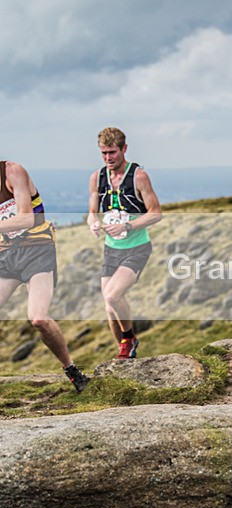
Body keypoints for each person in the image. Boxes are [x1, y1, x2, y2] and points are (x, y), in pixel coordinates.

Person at [0, 160, 91, 392]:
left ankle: (72, 371)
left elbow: (26, 218)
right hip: (6, 256)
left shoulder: (11, 171)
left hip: (36, 250)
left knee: (38, 318)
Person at [87, 127, 162, 359]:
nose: (108, 158)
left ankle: (129, 338)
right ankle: (125, 355)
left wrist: (127, 226)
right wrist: (93, 223)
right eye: (104, 153)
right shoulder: (97, 177)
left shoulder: (138, 176)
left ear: (124, 149)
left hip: (137, 248)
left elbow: (156, 214)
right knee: (110, 309)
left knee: (112, 296)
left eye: (113, 152)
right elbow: (91, 211)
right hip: (111, 250)